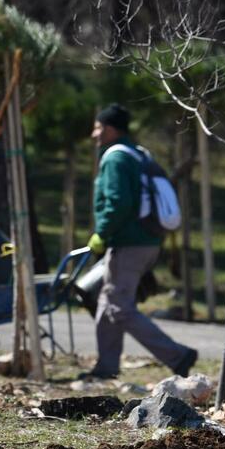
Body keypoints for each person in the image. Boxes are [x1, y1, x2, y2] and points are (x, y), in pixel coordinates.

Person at [83, 104, 198, 380]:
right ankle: (106, 367)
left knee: (119, 307)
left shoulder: (115, 159)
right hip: (147, 241)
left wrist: (102, 233)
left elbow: (118, 203)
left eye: (97, 127)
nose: (93, 134)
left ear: (110, 129)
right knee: (107, 302)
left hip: (129, 243)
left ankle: (178, 355)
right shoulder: (136, 154)